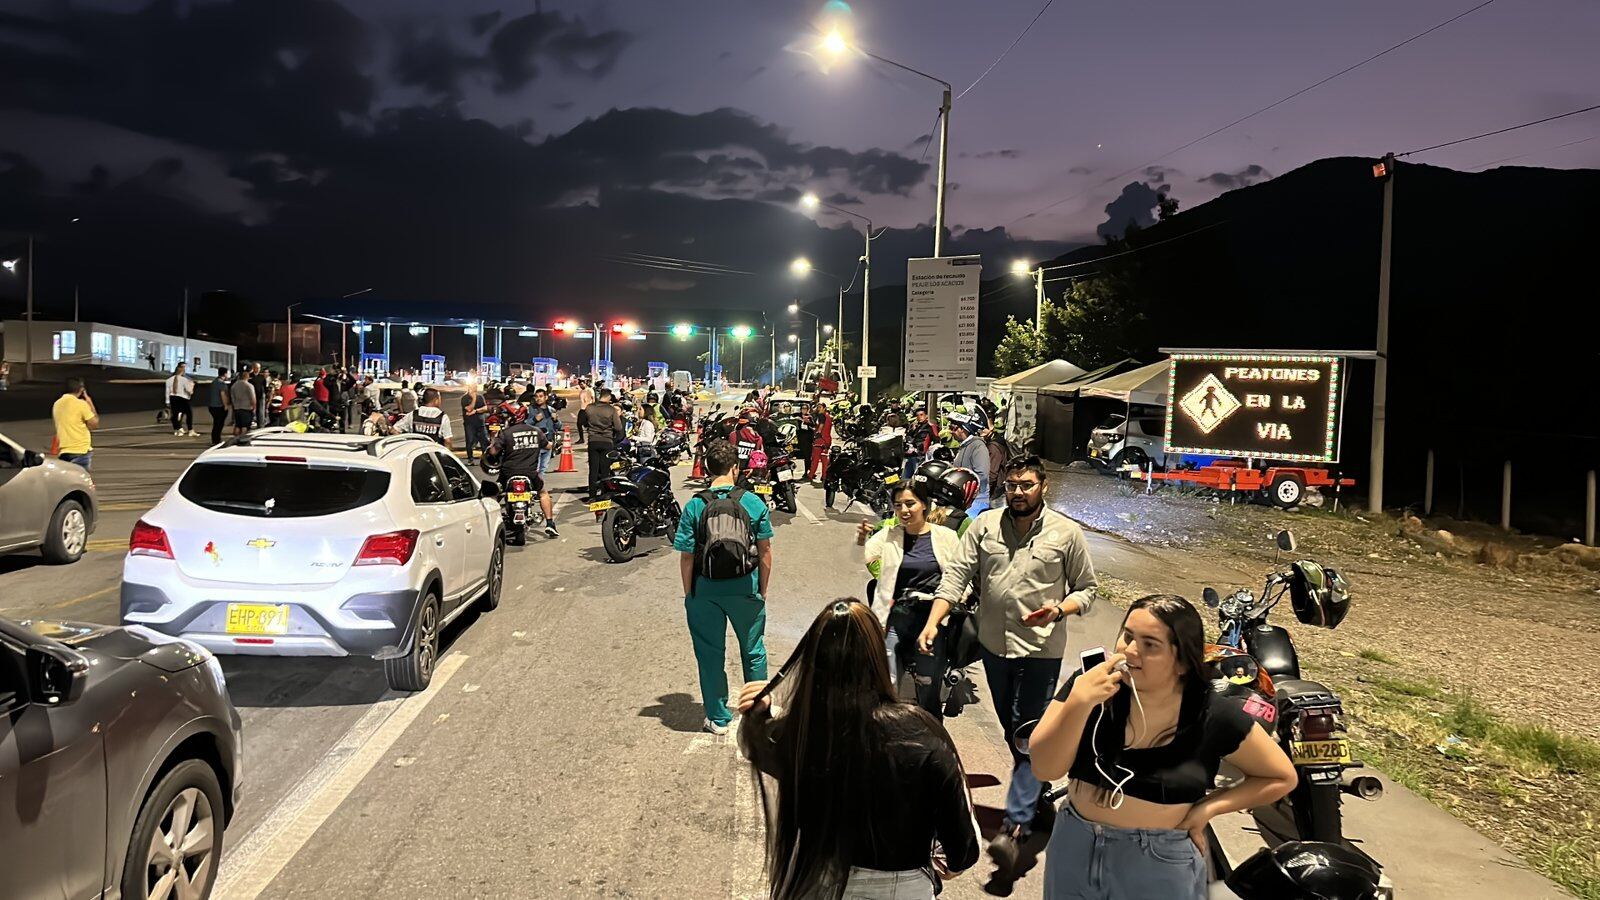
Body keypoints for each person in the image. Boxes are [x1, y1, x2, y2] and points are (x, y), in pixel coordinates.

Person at [1029, 595, 1298, 900]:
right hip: (1075, 844)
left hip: (1157, 860)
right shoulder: (1090, 686)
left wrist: (1208, 808)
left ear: (1182, 661)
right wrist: (1079, 703)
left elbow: (1280, 777)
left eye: (1150, 645)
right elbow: (1044, 768)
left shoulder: (1211, 713)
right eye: (1128, 636)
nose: (1130, 651)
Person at [925, 455, 1098, 886]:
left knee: (1027, 735)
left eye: (1027, 485)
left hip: (1041, 650)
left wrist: (1060, 609)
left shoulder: (1066, 533)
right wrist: (933, 621)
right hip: (994, 648)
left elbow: (1087, 589)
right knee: (1012, 731)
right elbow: (957, 576)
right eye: (1012, 485)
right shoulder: (985, 526)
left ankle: (1015, 827)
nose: (1018, 492)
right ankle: (1039, 800)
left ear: (1043, 486)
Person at [736, 599, 980, 899]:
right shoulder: (920, 731)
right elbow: (963, 846)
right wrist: (948, 865)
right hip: (901, 887)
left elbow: (755, 744)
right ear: (876, 656)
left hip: (817, 880)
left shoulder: (803, 731)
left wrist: (758, 712)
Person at [674, 440, 773, 735]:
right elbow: (765, 551)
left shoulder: (695, 505)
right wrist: (762, 589)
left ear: (707, 468)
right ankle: (758, 711)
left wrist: (690, 593)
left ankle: (718, 718)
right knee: (753, 650)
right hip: (746, 587)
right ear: (735, 468)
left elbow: (687, 556)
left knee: (709, 654)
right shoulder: (752, 503)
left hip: (705, 589)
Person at [858, 482, 962, 720]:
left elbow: (960, 576)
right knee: (887, 681)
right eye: (898, 505)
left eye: (910, 503)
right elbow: (858, 558)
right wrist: (861, 539)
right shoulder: (890, 534)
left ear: (924, 504)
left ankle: (932, 730)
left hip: (933, 618)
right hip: (898, 615)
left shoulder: (946, 537)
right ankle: (887, 730)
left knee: (928, 685)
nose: (903, 510)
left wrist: (953, 602)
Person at [485, 411, 559, 538]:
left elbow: (493, 452)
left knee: (494, 495)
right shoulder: (536, 432)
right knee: (543, 493)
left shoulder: (506, 433)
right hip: (530, 473)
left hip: (508, 473)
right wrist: (555, 442)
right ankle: (550, 524)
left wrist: (492, 439)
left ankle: (489, 523)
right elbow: (548, 446)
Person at [580, 387, 624, 501]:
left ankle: (592, 496)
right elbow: (618, 427)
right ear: (608, 397)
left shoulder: (590, 408)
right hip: (607, 441)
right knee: (605, 470)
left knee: (593, 470)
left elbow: (583, 422)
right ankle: (604, 495)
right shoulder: (611, 410)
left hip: (593, 441)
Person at [949, 413, 991, 518]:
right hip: (964, 500)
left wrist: (963, 486)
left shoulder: (978, 446)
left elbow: (982, 474)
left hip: (976, 501)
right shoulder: (963, 446)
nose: (951, 431)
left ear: (964, 429)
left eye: (953, 428)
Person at [52, 378, 100, 470]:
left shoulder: (57, 404)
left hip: (64, 451)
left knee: (67, 478)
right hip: (80, 450)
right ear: (81, 390)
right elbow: (94, 424)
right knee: (81, 478)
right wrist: (90, 403)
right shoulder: (81, 404)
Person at [461, 382, 490, 462]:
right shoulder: (465, 398)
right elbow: (469, 409)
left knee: (484, 441)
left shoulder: (480, 397)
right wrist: (474, 398)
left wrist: (476, 411)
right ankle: (470, 459)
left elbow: (485, 408)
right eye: (473, 388)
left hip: (480, 423)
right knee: (470, 441)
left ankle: (485, 458)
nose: (475, 389)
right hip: (469, 424)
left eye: (475, 387)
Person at [166, 362, 196, 437]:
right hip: (182, 398)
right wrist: (192, 386)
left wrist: (167, 401)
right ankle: (190, 430)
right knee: (189, 414)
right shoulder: (184, 380)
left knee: (175, 414)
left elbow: (167, 391)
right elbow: (189, 390)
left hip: (173, 397)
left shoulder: (169, 380)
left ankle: (177, 429)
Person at [807, 400, 832, 483]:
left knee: (815, 459)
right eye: (818, 407)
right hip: (827, 440)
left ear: (824, 408)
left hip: (820, 440)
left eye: (820, 407)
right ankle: (824, 476)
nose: (818, 409)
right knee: (824, 460)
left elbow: (820, 427)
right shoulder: (829, 417)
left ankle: (811, 474)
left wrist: (817, 433)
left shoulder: (821, 416)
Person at [207, 367, 232, 445]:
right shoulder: (221, 384)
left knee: (216, 423)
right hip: (219, 406)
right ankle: (216, 440)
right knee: (219, 424)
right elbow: (223, 394)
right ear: (225, 374)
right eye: (227, 373)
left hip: (212, 406)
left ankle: (215, 439)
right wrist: (225, 405)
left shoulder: (214, 382)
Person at [230, 369, 257, 435]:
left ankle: (236, 438)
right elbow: (253, 398)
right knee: (245, 426)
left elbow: (232, 397)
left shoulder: (234, 386)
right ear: (247, 377)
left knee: (238, 425)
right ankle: (243, 438)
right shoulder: (249, 385)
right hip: (246, 408)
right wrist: (254, 407)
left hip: (237, 408)